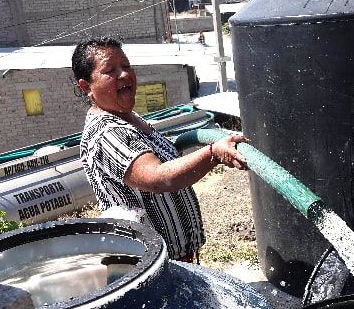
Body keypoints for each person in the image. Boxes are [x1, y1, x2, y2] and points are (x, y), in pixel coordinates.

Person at [72, 36, 248, 262]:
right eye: (110, 70)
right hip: (152, 266)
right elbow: (156, 178)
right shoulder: (108, 132)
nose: (124, 74)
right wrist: (213, 153)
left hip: (173, 258)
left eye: (126, 66)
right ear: (86, 86)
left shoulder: (128, 118)